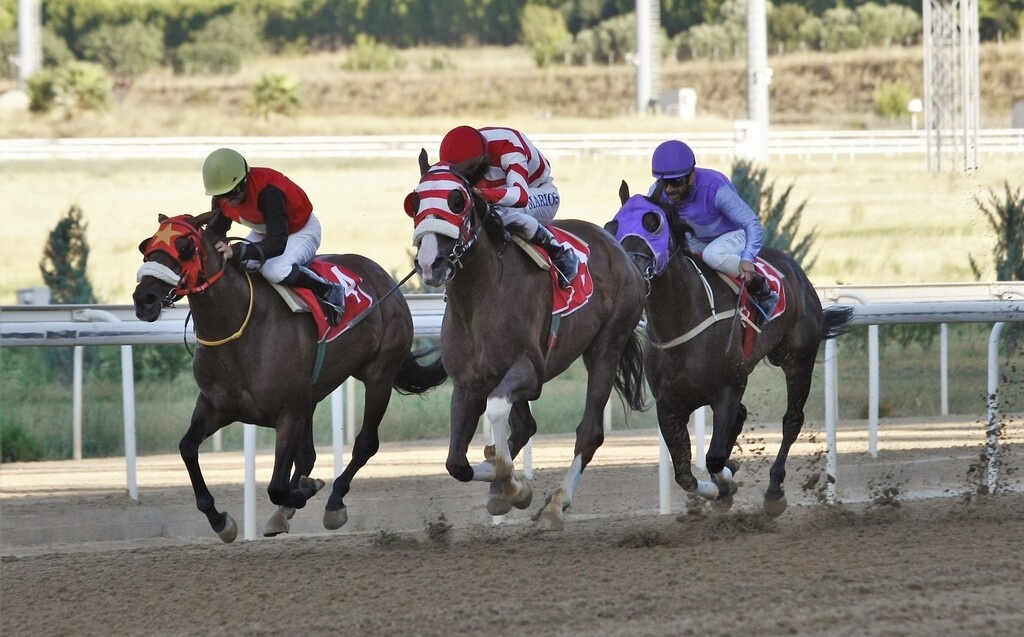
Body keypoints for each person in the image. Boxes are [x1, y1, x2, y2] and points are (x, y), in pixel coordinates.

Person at [201, 147, 347, 323]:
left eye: (232, 192)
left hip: (302, 230)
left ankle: (329, 289)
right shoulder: (222, 196)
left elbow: (277, 243)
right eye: (222, 195)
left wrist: (237, 250)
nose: (228, 199)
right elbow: (216, 232)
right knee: (233, 264)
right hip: (264, 230)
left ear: (245, 180)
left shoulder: (269, 192)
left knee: (274, 270)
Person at [648, 139, 779, 322]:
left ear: (691, 175)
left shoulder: (715, 189)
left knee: (713, 255)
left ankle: (761, 287)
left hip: (735, 234)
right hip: (697, 240)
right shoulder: (656, 191)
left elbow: (751, 223)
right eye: (663, 182)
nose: (669, 190)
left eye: (676, 182)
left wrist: (747, 258)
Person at [438, 125, 579, 288]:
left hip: (539, 192)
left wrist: (483, 194)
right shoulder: (458, 152)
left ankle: (561, 254)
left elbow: (520, 196)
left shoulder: (508, 144)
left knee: (502, 213)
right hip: (499, 196)